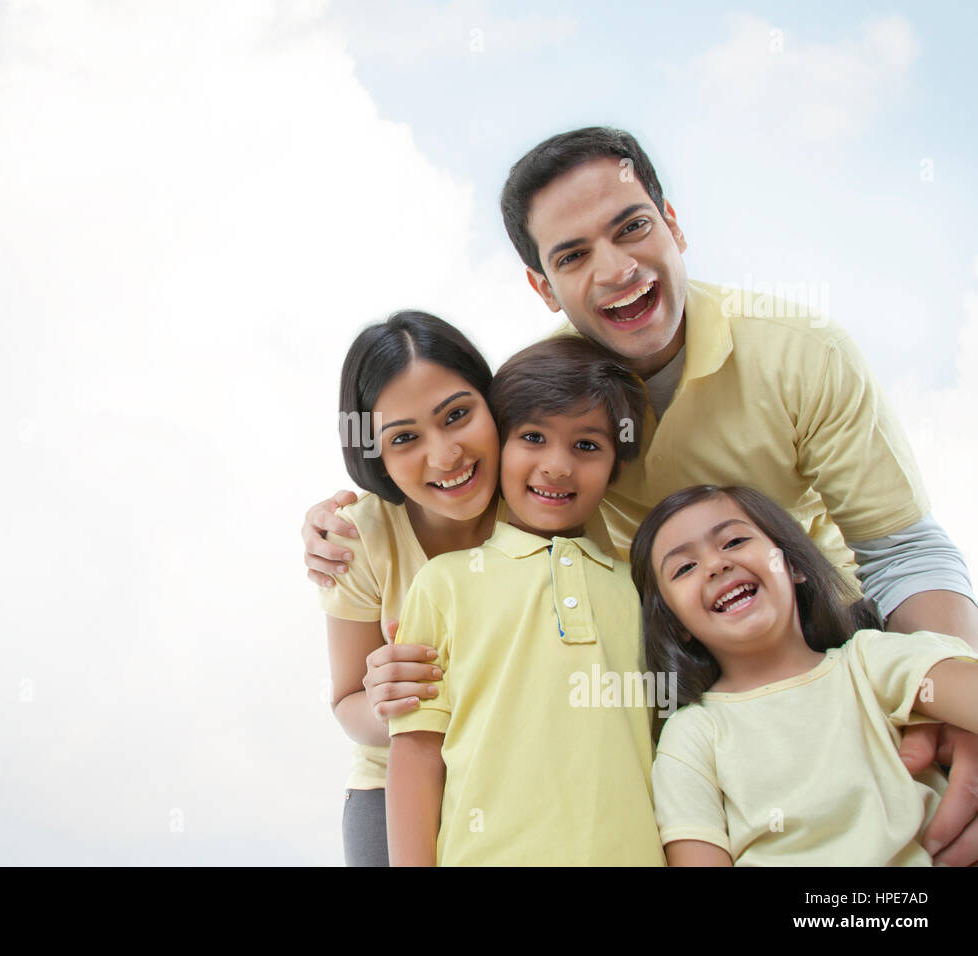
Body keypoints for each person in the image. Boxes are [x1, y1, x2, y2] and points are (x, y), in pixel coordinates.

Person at [301, 127, 978, 865]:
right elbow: (442, 475)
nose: (616, 269)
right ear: (542, 286)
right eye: (571, 254)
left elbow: (901, 547)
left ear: (674, 223)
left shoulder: (797, 353)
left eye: (632, 227)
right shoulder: (520, 417)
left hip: (810, 663)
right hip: (504, 760)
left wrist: (947, 707)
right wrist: (394, 683)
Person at [387, 335, 661, 866]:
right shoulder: (442, 584)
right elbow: (417, 755)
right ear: (498, 444)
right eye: (533, 436)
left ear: (615, 467)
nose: (557, 466)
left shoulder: (641, 588)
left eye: (587, 445)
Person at [630, 484, 978, 865]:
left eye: (733, 542)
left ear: (792, 565)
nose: (716, 565)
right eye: (684, 568)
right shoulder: (691, 735)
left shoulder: (870, 661)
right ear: (675, 623)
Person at [321, 310, 509, 866]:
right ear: (373, 452)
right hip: (391, 789)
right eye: (404, 438)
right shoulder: (358, 539)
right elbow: (345, 701)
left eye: (457, 415)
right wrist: (386, 705)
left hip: (513, 780)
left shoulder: (543, 501)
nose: (445, 455)